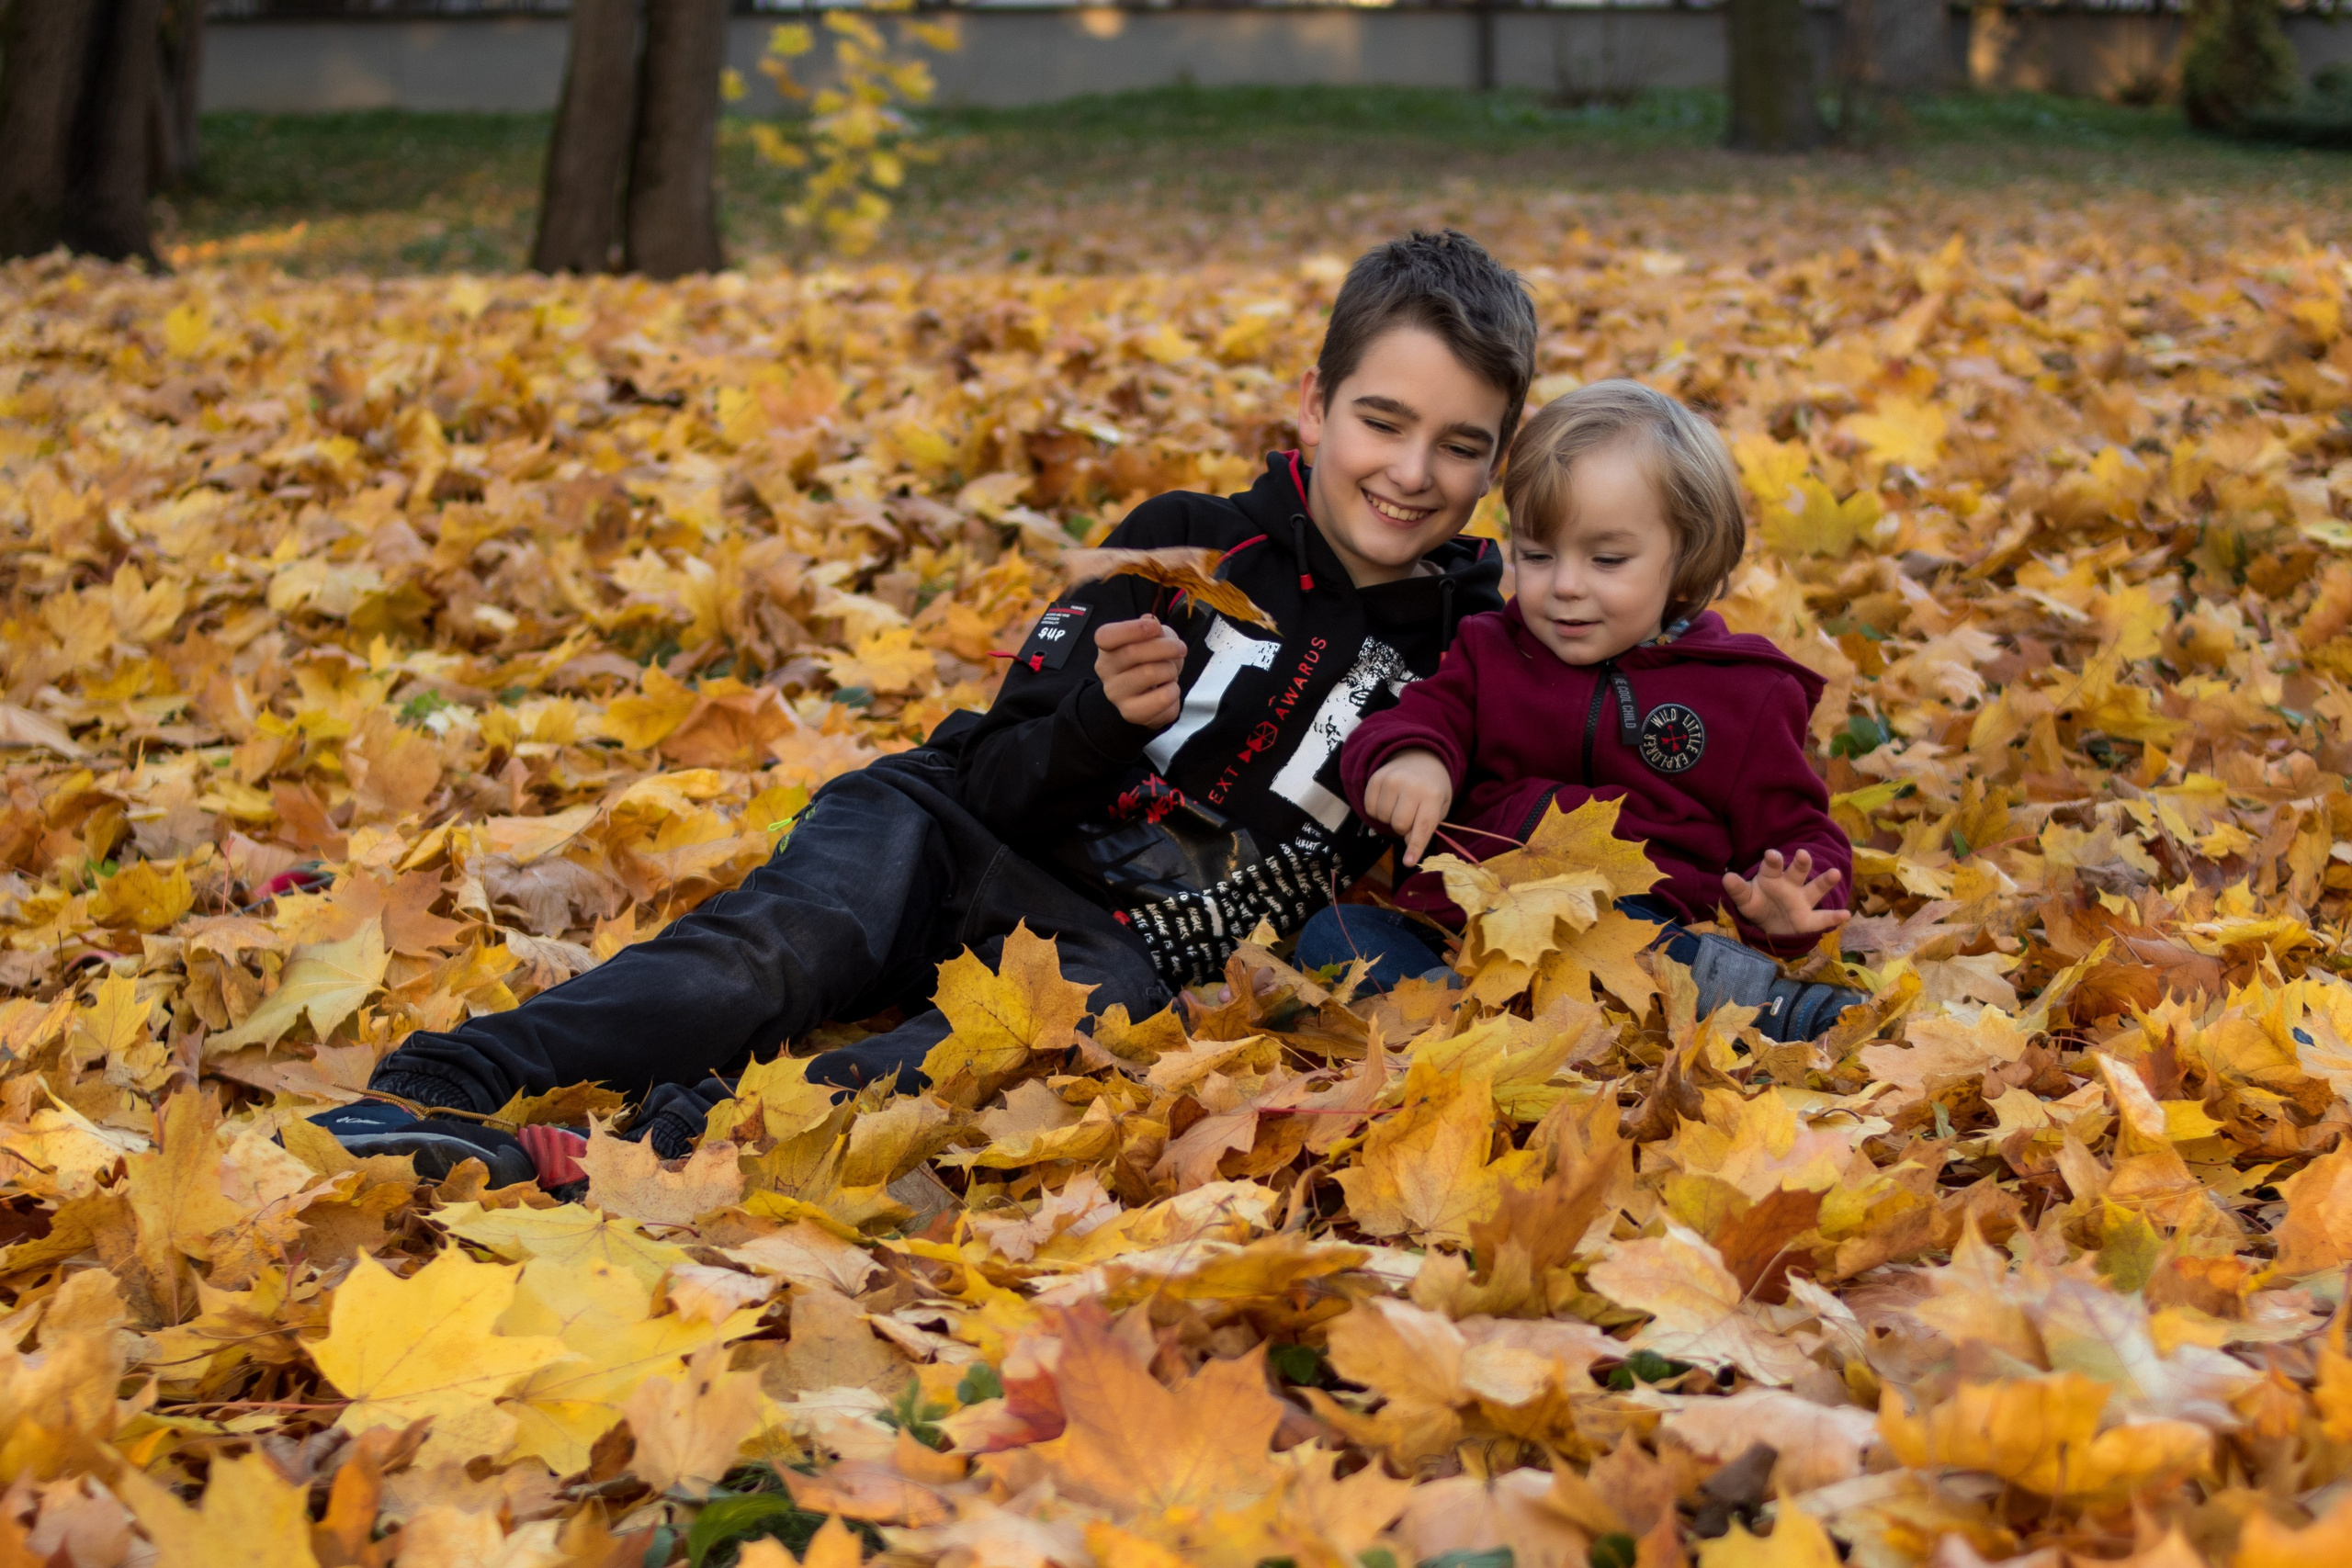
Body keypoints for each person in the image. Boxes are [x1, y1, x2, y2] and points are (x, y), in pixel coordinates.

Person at [313, 230, 1534, 1187]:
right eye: (1382, 421)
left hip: (1119, 939)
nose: (1410, 471)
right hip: (950, 826)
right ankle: (439, 1088)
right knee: (775, 954)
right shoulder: (1183, 544)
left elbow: (1603, 733)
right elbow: (1000, 769)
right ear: (1315, 405)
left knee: (1002, 1041)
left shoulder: (1481, 645)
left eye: (1458, 445)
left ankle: (671, 1152)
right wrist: (1102, 718)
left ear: (1497, 462)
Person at [1304, 379, 1867, 1040]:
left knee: (1626, 929)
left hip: (1635, 935)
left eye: (1607, 559)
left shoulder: (1743, 693)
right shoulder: (1491, 651)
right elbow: (1418, 719)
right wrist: (1414, 758)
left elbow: (1801, 833)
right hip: (1467, 931)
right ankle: (1471, 1028)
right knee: (1333, 933)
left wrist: (1788, 904)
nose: (1566, 586)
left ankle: (1763, 1005)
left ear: (1686, 556)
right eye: (1538, 556)